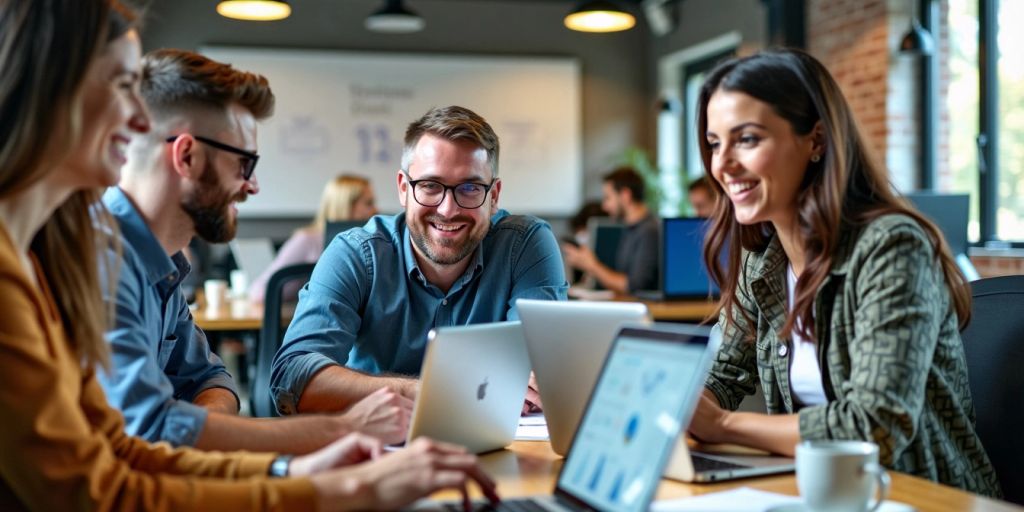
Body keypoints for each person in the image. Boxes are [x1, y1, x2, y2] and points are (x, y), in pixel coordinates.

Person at [0, 2, 497, 509]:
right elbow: (102, 483)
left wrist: (293, 469)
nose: (136, 118)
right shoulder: (65, 262)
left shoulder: (99, 261)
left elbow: (130, 445)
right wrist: (336, 481)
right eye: (121, 85)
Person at [686, 48, 1000, 497]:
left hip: (921, 496)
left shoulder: (892, 247)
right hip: (820, 493)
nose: (722, 164)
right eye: (715, 143)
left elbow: (876, 425)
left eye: (748, 139)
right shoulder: (764, 259)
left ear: (816, 141)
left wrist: (722, 425)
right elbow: (721, 377)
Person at [99, 49, 409, 453]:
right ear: (187, 156)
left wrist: (202, 431)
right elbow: (150, 431)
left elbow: (211, 380)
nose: (253, 186)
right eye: (244, 164)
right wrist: (345, 430)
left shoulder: (162, 264)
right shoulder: (100, 258)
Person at [272, 105, 568, 415]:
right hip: (376, 450)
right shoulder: (356, 254)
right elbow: (293, 377)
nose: (447, 210)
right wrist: (433, 391)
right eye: (429, 186)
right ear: (403, 188)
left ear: (494, 196)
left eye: (469, 188)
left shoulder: (524, 245)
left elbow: (540, 372)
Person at [249, 174, 377, 303]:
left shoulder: (371, 244)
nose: (376, 210)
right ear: (346, 205)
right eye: (369, 203)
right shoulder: (307, 240)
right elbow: (260, 291)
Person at [561, 167, 659, 294]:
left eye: (608, 198)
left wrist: (592, 265)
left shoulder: (649, 231)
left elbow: (634, 286)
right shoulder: (631, 229)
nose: (604, 206)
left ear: (625, 195)